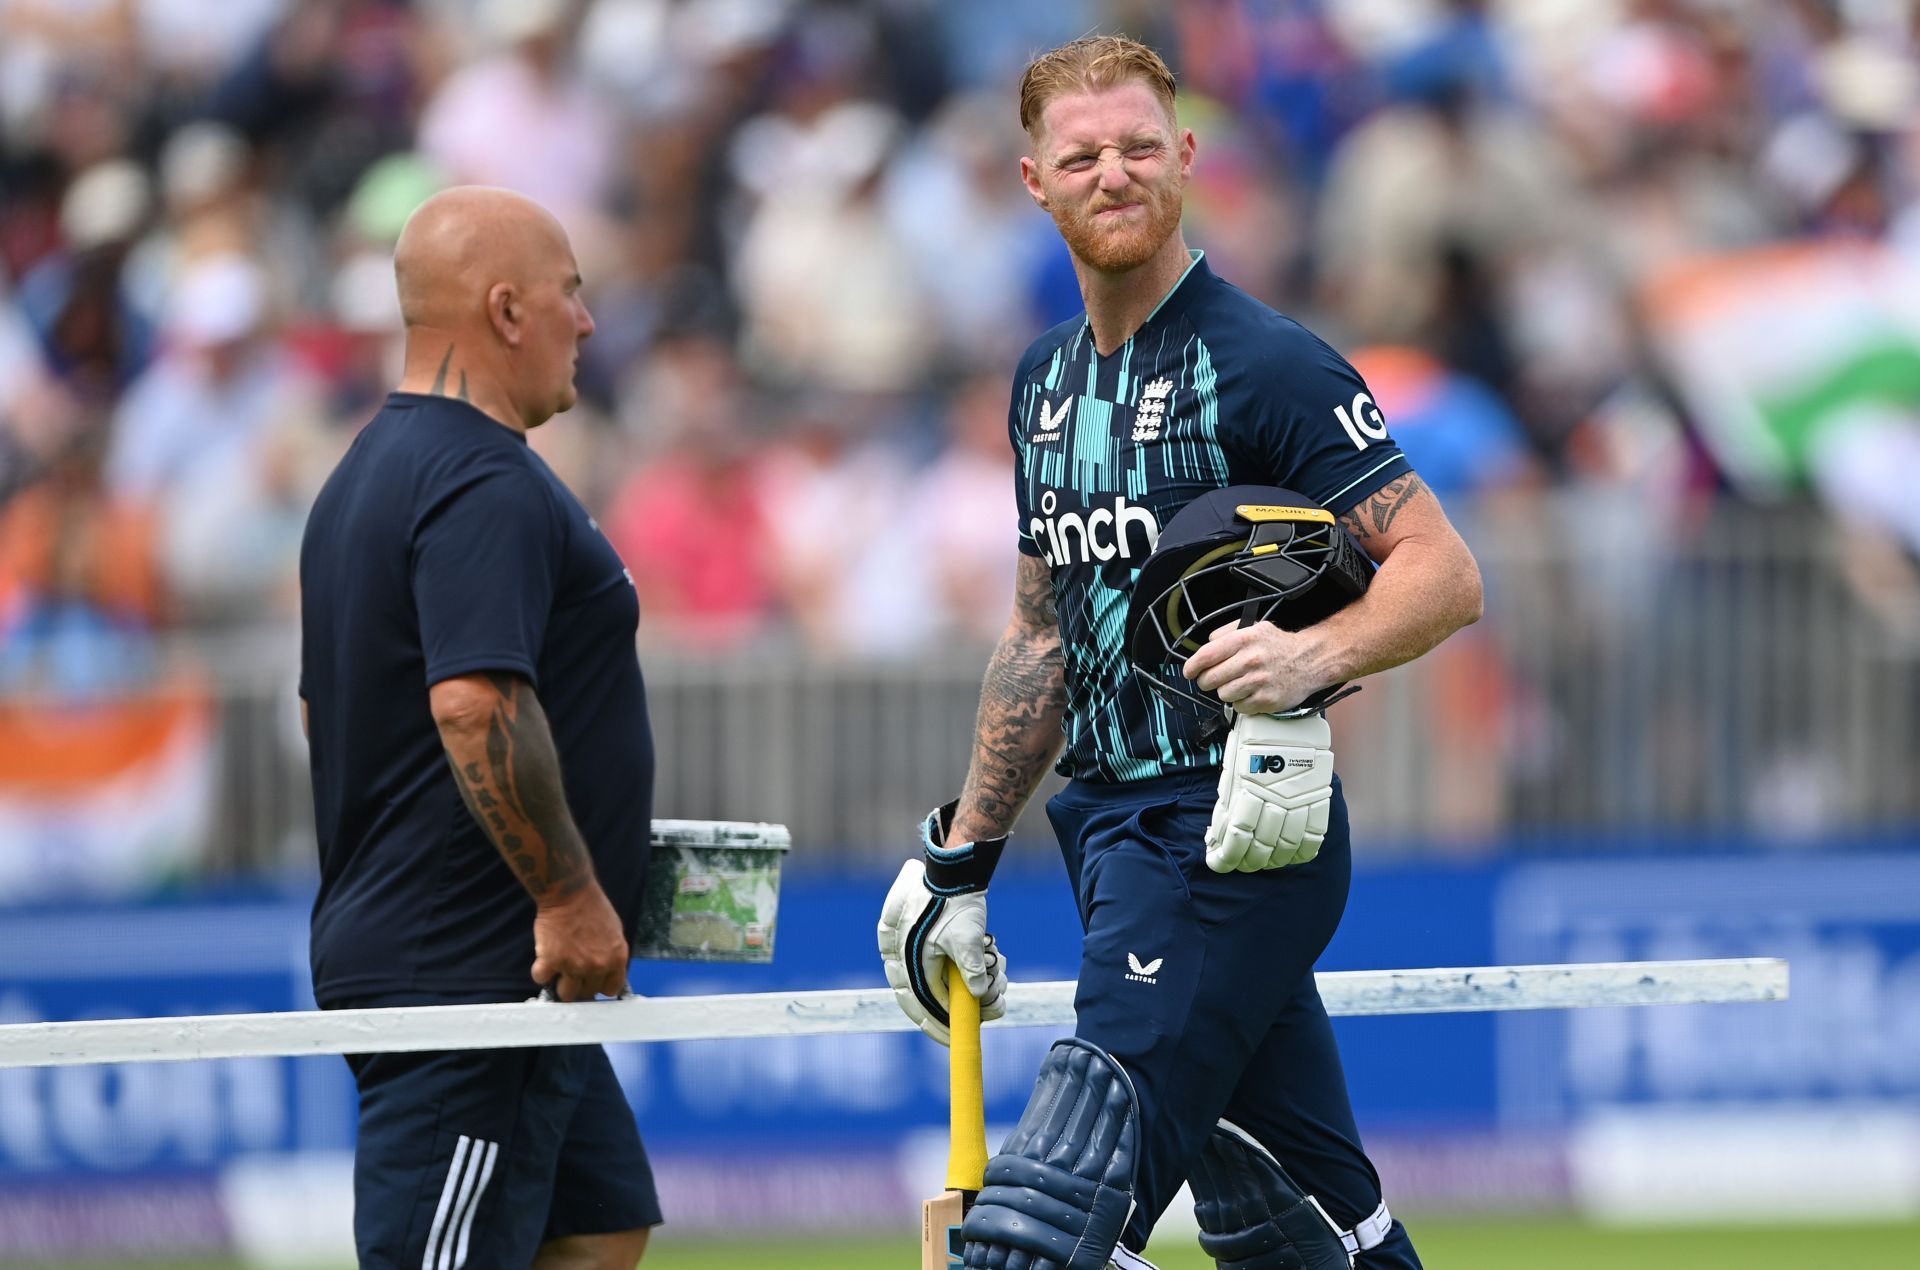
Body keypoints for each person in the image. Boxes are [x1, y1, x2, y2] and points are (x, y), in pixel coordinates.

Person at [877, 37, 1483, 1270]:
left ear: (1188, 160)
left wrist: (1314, 657)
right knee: (1309, 1229)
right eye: (1083, 155)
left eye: (1141, 147)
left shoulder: (1266, 363)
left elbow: (1445, 571)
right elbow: (1041, 638)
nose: (1115, 174)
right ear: (1034, 181)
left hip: (1231, 841)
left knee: (1031, 1245)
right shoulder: (1042, 382)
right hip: (1108, 845)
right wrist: (963, 853)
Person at [298, 186, 659, 1270]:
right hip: (469, 969)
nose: (587, 324)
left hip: (480, 962)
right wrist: (565, 890)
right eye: (570, 296)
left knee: (598, 1223)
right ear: (508, 311)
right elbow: (473, 701)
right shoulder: (481, 477)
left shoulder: (367, 472)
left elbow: (328, 714)